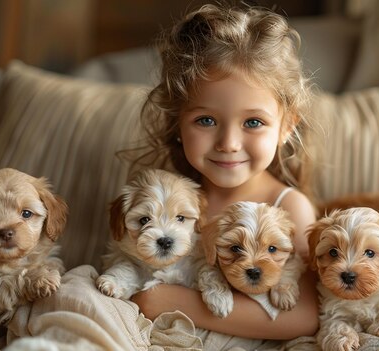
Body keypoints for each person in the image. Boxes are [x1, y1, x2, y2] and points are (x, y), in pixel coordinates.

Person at [128, 2, 319, 340]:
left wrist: (173, 302)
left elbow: (304, 317)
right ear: (177, 123)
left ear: (287, 126)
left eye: (253, 122)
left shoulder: (289, 208)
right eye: (206, 120)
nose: (229, 142)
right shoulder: (167, 200)